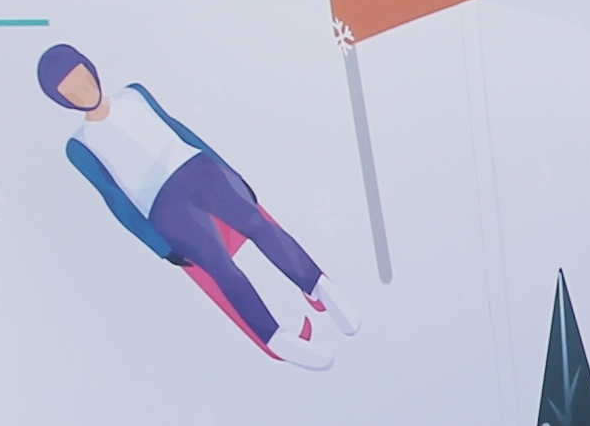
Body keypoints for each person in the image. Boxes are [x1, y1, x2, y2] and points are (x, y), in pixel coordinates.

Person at [38, 44, 354, 365]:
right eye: (70, 92)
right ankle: (275, 336)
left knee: (258, 225)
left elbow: (181, 130)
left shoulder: (134, 94)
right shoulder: (79, 146)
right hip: (163, 204)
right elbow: (115, 200)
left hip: (200, 169)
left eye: (82, 80)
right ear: (62, 101)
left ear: (91, 70)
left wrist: (232, 173)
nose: (82, 91)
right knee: (219, 265)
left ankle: (319, 284)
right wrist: (159, 246)